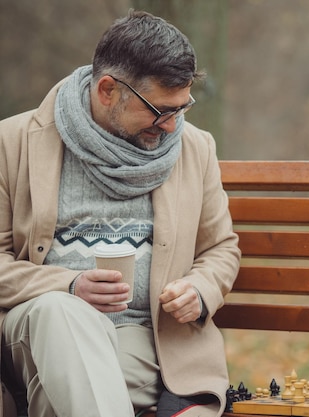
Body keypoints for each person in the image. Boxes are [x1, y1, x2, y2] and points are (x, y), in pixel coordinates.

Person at [0, 10, 241, 417]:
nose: (170, 126)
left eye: (181, 108)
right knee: (60, 312)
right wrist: (69, 285)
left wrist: (201, 289)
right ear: (108, 90)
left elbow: (220, 249)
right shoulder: (14, 142)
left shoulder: (196, 148)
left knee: (61, 387)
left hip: (144, 338)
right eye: (159, 110)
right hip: (31, 328)